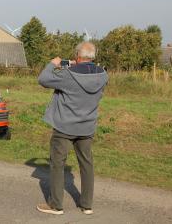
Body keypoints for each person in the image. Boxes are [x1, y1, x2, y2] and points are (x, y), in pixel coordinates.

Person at [36, 42, 108, 216]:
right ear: (93, 56)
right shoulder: (103, 75)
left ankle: (56, 205)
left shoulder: (68, 75)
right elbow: (87, 73)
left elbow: (43, 79)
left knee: (57, 164)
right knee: (87, 165)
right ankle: (87, 205)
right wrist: (79, 65)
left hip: (64, 127)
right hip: (87, 126)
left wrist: (53, 63)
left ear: (77, 55)